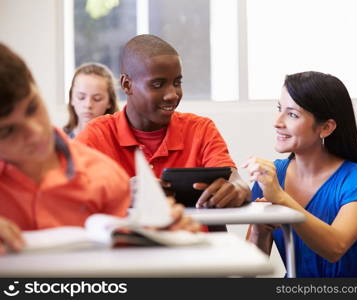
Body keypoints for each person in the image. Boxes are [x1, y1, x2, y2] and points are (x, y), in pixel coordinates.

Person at [0, 43, 200, 255]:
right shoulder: (98, 138)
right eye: (7, 131)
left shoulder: (104, 177)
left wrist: (160, 237)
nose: (35, 131)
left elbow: (126, 272)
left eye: (33, 108)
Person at [76, 34, 250, 209]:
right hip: (128, 237)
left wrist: (237, 188)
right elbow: (66, 195)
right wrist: (120, 193)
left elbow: (236, 181)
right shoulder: (96, 134)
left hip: (194, 236)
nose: (172, 95)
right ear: (127, 84)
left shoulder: (201, 129)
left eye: (177, 82)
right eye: (158, 84)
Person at [243, 71, 357, 277]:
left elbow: (335, 247)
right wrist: (259, 231)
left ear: (326, 127)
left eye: (292, 114)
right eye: (279, 109)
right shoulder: (271, 177)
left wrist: (282, 199)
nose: (277, 122)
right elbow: (249, 270)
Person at [63, 62, 119, 138]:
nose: (88, 105)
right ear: (71, 98)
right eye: (81, 97)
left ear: (110, 102)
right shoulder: (58, 142)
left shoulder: (120, 142)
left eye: (97, 99)